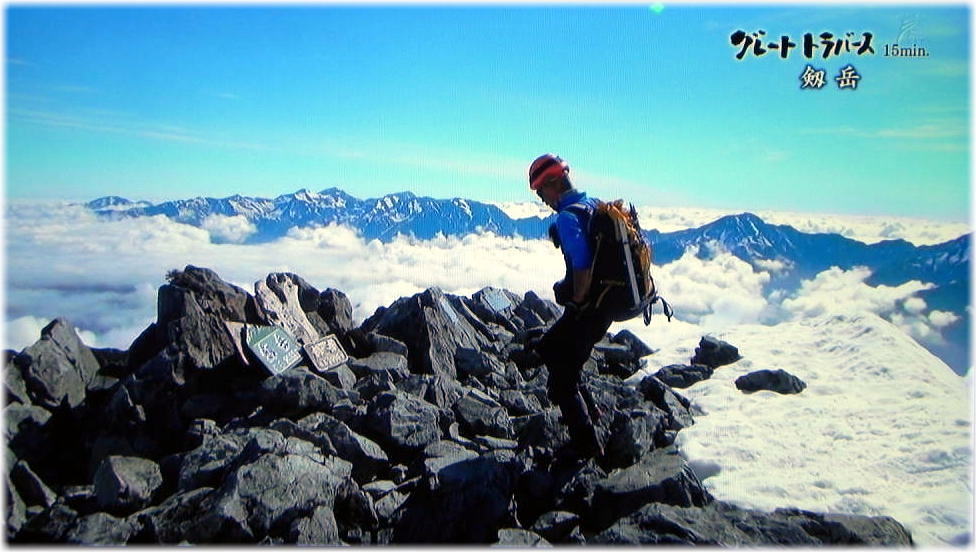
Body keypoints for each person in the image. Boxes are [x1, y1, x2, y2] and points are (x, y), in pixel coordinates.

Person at [528, 153, 612, 461]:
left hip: (588, 310)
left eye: (541, 192)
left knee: (561, 375)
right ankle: (594, 414)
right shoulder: (594, 205)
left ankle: (587, 446)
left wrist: (575, 301)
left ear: (553, 183)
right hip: (604, 307)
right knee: (558, 352)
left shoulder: (568, 217)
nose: (542, 200)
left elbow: (583, 264)